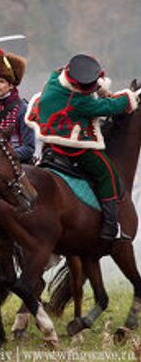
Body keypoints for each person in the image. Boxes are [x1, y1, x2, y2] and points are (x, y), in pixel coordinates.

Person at [25, 54, 140, 241]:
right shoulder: (81, 102)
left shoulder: (57, 77)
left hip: (50, 138)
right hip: (69, 145)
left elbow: (92, 85)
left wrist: (101, 88)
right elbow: (110, 106)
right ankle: (111, 226)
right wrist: (131, 97)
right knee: (107, 172)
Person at [0, 50, 35, 163]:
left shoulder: (23, 108)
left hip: (18, 163)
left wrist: (5, 154)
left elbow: (29, 148)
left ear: (11, 85)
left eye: (1, 81)